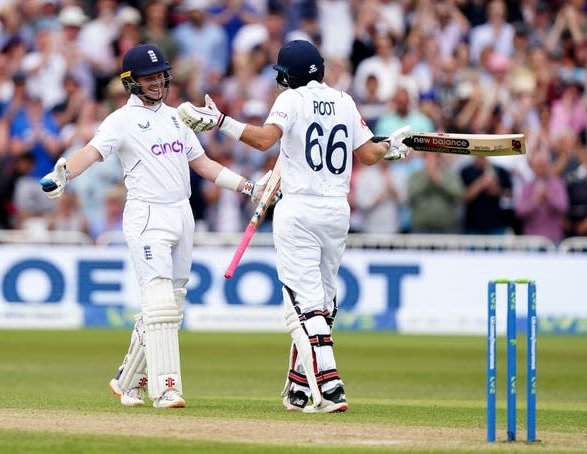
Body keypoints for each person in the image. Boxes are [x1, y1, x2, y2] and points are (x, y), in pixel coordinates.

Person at [177, 39, 412, 413]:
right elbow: (369, 154)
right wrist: (391, 148)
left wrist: (222, 121)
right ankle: (299, 388)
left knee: (307, 305)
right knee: (324, 302)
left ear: (287, 75)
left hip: (300, 209)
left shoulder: (290, 99)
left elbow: (264, 140)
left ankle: (331, 386)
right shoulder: (345, 101)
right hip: (337, 211)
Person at [39, 44, 270, 409]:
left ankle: (128, 380)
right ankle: (166, 388)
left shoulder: (179, 116)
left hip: (182, 214)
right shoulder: (121, 120)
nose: (158, 82)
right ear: (131, 82)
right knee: (159, 301)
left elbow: (204, 164)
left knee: (170, 306)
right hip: (147, 215)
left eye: (160, 74)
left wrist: (249, 188)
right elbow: (92, 152)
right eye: (148, 77)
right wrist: (64, 174)